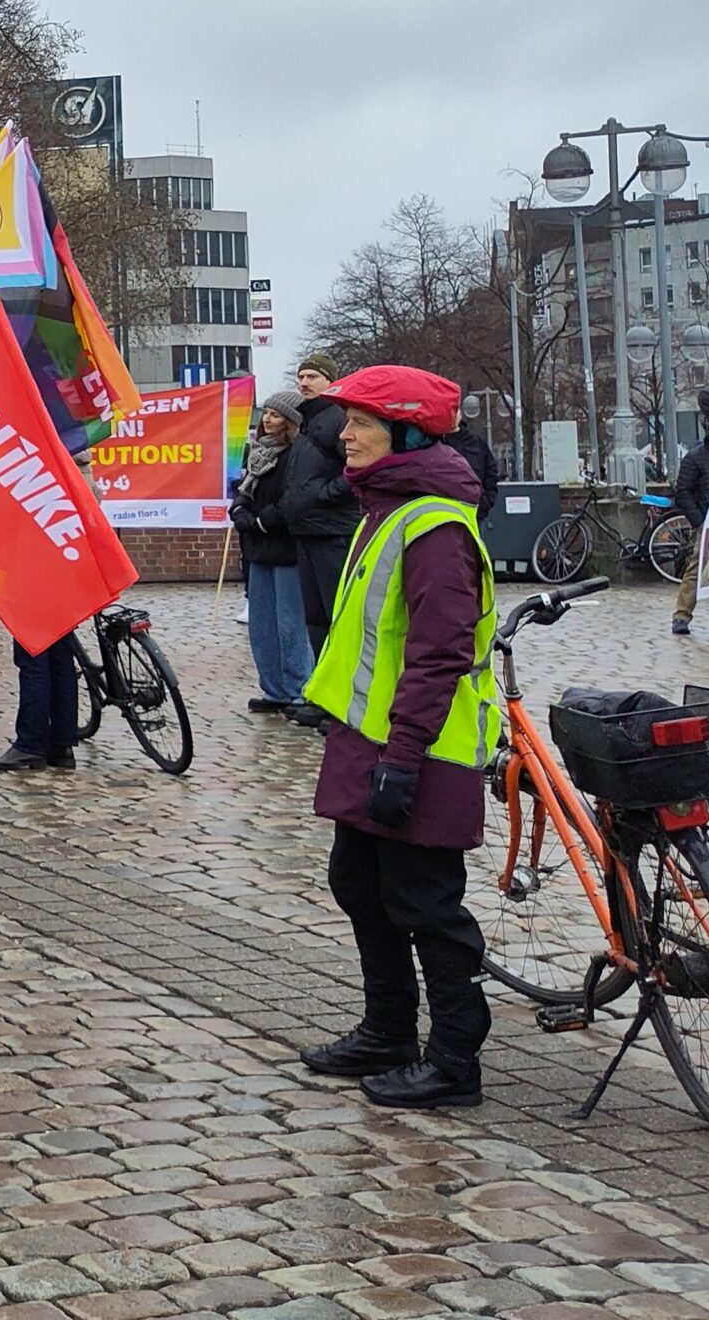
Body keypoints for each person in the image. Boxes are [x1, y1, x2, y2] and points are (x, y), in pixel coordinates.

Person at [293, 364, 498, 1110]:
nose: (343, 436)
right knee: (360, 884)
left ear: (406, 434)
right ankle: (387, 1031)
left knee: (426, 904)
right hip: (371, 740)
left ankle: (453, 1061)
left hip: (421, 749)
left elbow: (438, 654)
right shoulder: (387, 509)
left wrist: (403, 757)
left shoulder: (434, 527)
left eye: (361, 423)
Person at [278, 352, 360, 727]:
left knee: (336, 617)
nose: (304, 382)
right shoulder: (309, 422)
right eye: (301, 377)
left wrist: (323, 495)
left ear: (330, 380)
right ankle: (323, 694)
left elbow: (355, 468)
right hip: (307, 531)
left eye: (312, 376)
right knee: (315, 619)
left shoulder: (337, 419)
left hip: (332, 533)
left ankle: (342, 700)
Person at [232, 390, 315, 716]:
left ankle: (299, 690)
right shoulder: (257, 455)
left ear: (291, 421)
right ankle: (273, 688)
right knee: (262, 625)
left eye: (275, 414)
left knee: (290, 625)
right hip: (258, 550)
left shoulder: (297, 456)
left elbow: (292, 499)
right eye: (266, 412)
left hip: (285, 548)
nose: (267, 419)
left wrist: (263, 521)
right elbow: (244, 492)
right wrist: (240, 510)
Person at [673, 388, 709, 638]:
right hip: (708, 521)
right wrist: (699, 522)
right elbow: (683, 492)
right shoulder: (695, 458)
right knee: (698, 567)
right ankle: (682, 615)